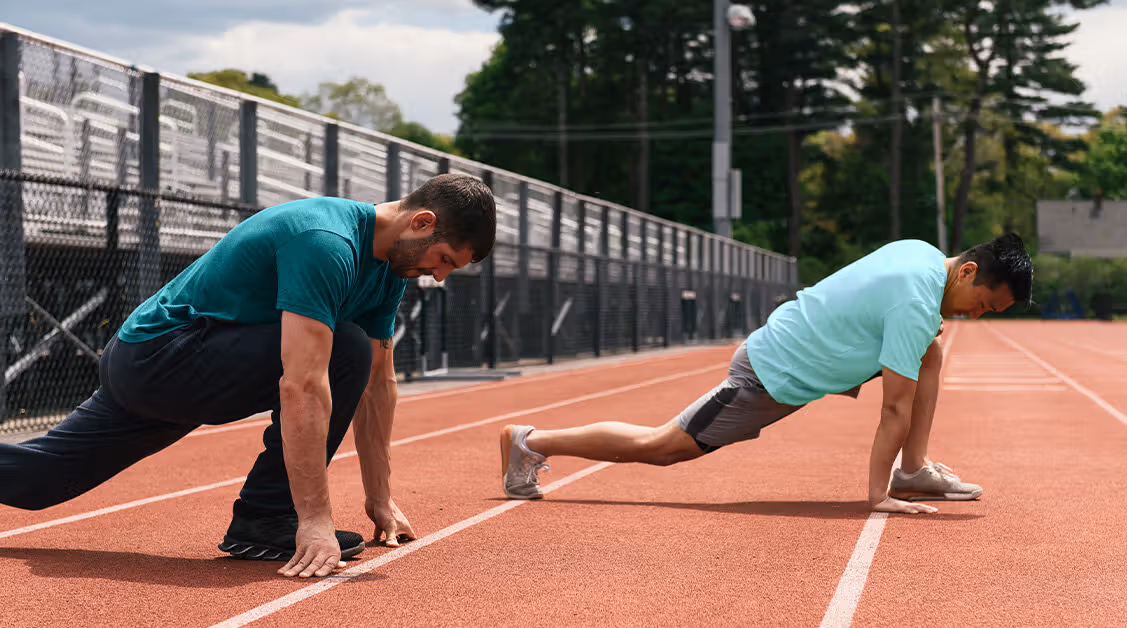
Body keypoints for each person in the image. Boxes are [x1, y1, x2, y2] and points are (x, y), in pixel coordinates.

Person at [0, 173, 496, 578]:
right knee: (342, 349)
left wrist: (380, 498)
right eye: (445, 259)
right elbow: (303, 385)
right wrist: (315, 521)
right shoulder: (326, 240)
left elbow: (378, 386)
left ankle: (267, 517)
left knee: (40, 482)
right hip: (160, 358)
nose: (440, 276)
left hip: (163, 365)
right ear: (421, 222)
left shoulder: (388, 268)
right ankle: (264, 519)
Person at [500, 234, 1032, 514]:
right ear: (966, 272)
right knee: (664, 446)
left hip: (792, 354)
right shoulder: (917, 302)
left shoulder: (921, 254)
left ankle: (914, 470)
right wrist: (875, 496)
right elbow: (894, 407)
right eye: (984, 302)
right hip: (769, 375)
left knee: (930, 351)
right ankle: (531, 441)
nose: (978, 314)